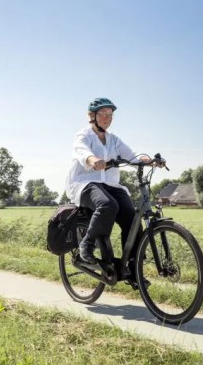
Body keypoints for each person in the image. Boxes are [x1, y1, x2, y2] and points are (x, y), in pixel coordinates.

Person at [65, 97, 152, 284]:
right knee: (107, 205)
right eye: (103, 114)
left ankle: (133, 268)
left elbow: (132, 155)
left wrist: (149, 161)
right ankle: (86, 246)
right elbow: (81, 151)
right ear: (92, 116)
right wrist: (92, 159)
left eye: (110, 115)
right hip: (85, 183)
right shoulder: (83, 135)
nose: (107, 118)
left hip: (111, 185)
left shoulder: (114, 140)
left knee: (132, 217)